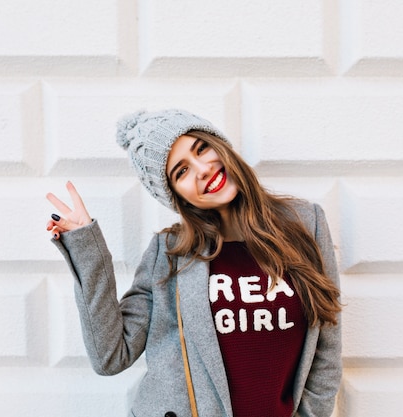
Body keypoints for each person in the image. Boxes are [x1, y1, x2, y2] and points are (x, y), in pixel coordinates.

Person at [46, 109, 342, 417]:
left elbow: (327, 346)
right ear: (176, 195)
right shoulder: (169, 253)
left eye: (202, 148)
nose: (202, 169)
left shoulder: (306, 225)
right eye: (181, 172)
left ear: (221, 145)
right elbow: (110, 357)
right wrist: (85, 246)